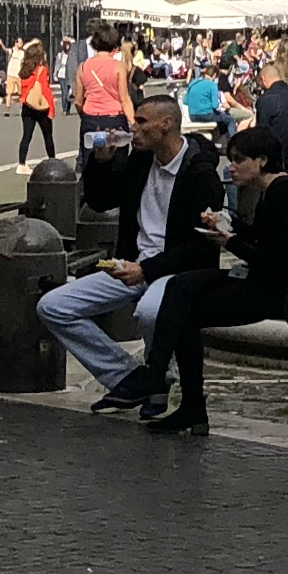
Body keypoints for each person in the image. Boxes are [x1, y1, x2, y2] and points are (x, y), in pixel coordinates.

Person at [115, 129, 288, 436]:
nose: (231, 167)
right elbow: (266, 241)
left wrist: (229, 241)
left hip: (279, 292)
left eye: (239, 160)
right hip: (265, 281)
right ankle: (166, 383)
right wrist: (227, 225)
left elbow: (281, 264)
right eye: (230, 159)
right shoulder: (274, 192)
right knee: (180, 286)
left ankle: (174, 391)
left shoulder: (285, 195)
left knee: (185, 310)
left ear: (262, 161)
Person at [49, 95, 222, 415]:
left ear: (166, 125)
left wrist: (147, 270)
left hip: (173, 272)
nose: (133, 129)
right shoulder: (142, 161)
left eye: (141, 122)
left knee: (150, 311)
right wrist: (100, 162)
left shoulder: (200, 174)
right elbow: (100, 201)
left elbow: (202, 248)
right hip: (131, 265)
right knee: (54, 306)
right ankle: (132, 377)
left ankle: (154, 379)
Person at [76, 24, 132, 146]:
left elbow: (78, 101)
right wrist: (133, 122)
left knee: (91, 159)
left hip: (90, 118)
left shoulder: (83, 67)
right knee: (117, 161)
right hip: (114, 119)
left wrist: (84, 116)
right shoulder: (119, 66)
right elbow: (125, 99)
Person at [13, 42, 57, 164]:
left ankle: (21, 163)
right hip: (42, 107)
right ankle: (52, 161)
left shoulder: (24, 71)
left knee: (26, 136)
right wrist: (52, 109)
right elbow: (45, 90)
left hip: (27, 106)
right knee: (48, 136)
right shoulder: (42, 70)